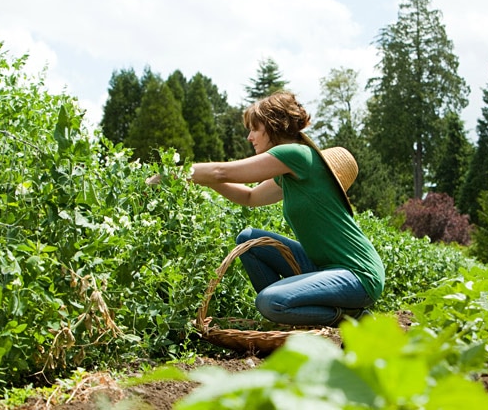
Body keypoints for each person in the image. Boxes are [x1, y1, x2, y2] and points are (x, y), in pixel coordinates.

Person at [149, 91, 385, 327]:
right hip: (323, 269)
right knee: (249, 240)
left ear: (273, 126)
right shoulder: (290, 174)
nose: (250, 137)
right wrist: (203, 180)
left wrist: (169, 175)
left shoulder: (295, 154)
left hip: (358, 275)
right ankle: (286, 318)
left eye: (255, 128)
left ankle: (350, 318)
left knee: (270, 302)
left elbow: (222, 172)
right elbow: (250, 197)